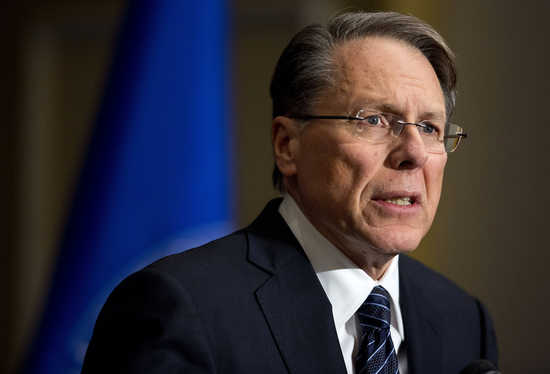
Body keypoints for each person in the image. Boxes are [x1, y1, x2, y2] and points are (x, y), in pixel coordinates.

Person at [82, 11, 498, 374]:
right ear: (287, 145)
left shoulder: (462, 319)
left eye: (429, 127)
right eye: (374, 120)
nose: (412, 153)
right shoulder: (179, 309)